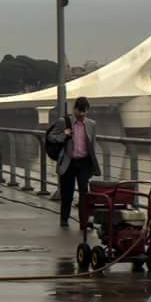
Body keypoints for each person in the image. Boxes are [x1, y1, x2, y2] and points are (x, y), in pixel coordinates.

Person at [47, 97, 101, 227]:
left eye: (85, 111)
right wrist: (64, 136)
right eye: (80, 111)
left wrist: (93, 165)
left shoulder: (91, 124)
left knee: (84, 193)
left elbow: (92, 145)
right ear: (75, 109)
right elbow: (50, 136)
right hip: (69, 162)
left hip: (84, 163)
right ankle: (64, 219)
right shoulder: (63, 122)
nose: (82, 114)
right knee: (67, 193)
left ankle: (84, 221)